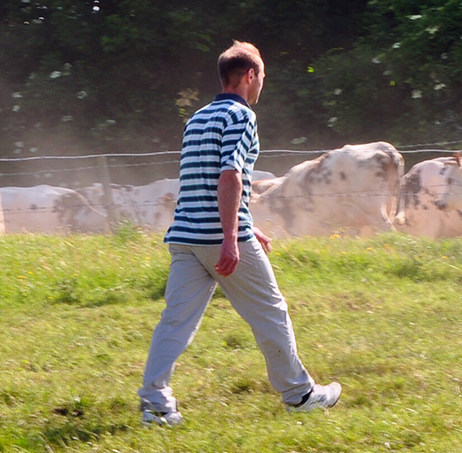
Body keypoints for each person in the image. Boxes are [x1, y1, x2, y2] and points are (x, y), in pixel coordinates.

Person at [138, 41, 340, 426]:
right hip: (219, 238)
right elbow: (230, 174)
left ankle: (155, 405)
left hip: (184, 235)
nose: (262, 83)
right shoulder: (241, 117)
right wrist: (232, 236)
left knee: (175, 322)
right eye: (262, 76)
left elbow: (200, 179)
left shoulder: (196, 119)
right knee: (270, 311)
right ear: (250, 76)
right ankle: (300, 395)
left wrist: (248, 224)